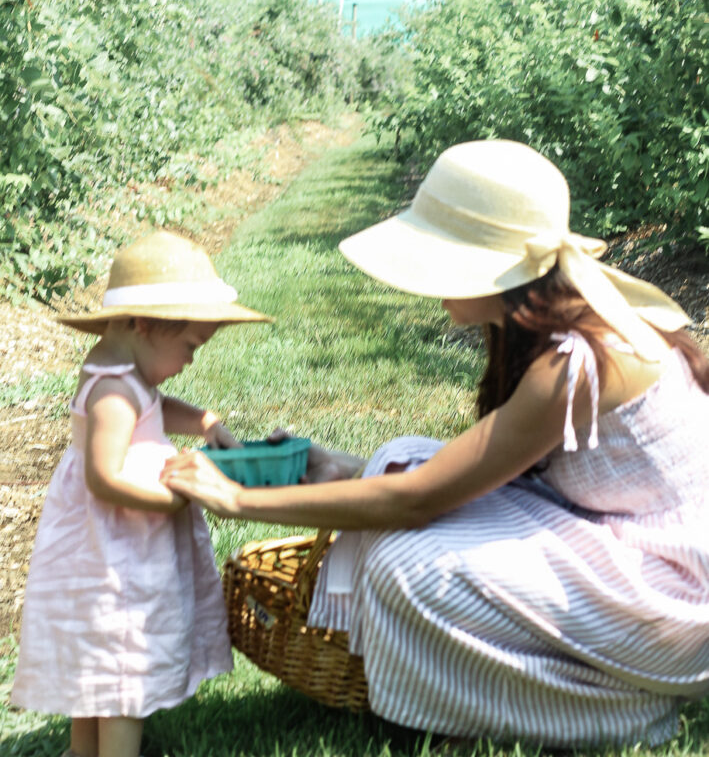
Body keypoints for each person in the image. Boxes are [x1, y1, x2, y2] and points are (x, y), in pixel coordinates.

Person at [162, 139, 709, 748]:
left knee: (405, 567)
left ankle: (617, 711)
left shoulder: (580, 363)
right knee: (403, 453)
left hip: (677, 602)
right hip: (617, 537)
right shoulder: (548, 325)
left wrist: (238, 501)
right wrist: (345, 470)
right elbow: (471, 470)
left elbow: (415, 503)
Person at [11, 230, 272, 757]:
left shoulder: (122, 369)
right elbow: (103, 478)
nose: (192, 361)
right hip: (119, 548)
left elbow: (152, 401)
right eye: (191, 347)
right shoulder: (110, 391)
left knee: (98, 669)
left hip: (114, 539)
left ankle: (83, 752)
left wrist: (204, 421)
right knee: (123, 666)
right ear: (147, 324)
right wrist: (170, 500)